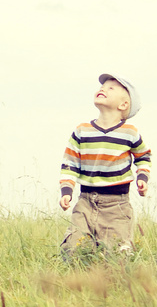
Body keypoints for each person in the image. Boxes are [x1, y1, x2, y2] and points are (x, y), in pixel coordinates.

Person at [59, 73, 151, 257]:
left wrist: (142, 177)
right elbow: (69, 164)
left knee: (117, 253)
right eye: (102, 86)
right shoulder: (82, 131)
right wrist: (66, 191)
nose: (103, 89)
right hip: (85, 202)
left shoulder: (129, 133)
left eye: (111, 88)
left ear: (123, 104)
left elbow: (144, 157)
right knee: (73, 249)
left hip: (116, 205)